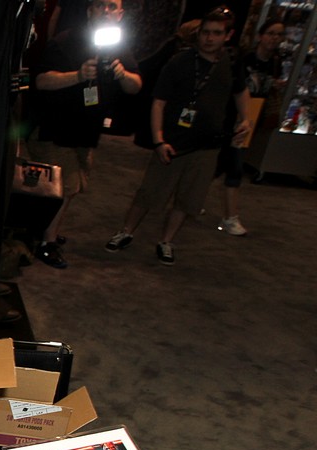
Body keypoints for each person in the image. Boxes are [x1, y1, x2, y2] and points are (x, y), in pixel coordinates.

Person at [105, 6, 250, 265]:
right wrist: (159, 139)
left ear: (227, 35)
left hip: (208, 144)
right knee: (150, 192)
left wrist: (246, 118)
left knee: (189, 199)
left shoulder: (231, 63)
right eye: (205, 32)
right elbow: (158, 102)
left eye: (216, 33)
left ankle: (166, 241)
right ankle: (125, 231)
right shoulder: (180, 62)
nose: (209, 38)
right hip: (173, 141)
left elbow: (240, 90)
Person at [27, 0, 142, 268]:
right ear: (90, 11)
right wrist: (78, 76)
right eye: (101, 6)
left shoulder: (118, 47)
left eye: (112, 7)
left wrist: (122, 74)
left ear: (120, 14)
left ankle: (45, 231)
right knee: (64, 187)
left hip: (85, 132)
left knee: (73, 187)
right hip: (55, 128)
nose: (106, 11)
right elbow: (41, 80)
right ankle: (46, 242)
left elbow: (136, 85)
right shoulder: (67, 40)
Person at [213, 18, 287, 236]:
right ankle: (230, 217)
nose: (275, 38)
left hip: (252, 116)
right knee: (231, 165)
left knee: (222, 164)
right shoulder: (245, 58)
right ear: (260, 36)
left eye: (279, 34)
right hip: (234, 116)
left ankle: (192, 200)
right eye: (271, 33)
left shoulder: (276, 62)